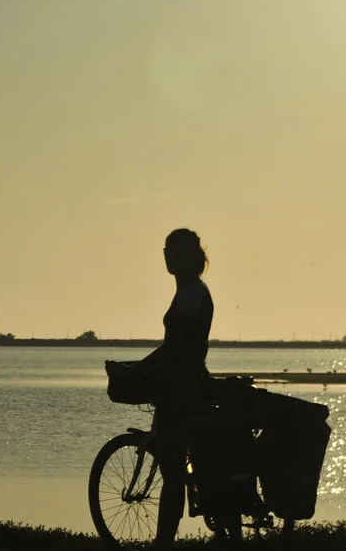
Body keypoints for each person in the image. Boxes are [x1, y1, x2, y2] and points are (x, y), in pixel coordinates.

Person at [131, 228, 213, 549]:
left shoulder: (192, 292)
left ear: (190, 257)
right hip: (180, 383)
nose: (168, 257)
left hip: (182, 389)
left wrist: (138, 368)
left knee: (173, 469)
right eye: (166, 251)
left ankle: (163, 541)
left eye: (175, 252)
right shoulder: (188, 290)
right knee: (174, 465)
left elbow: (175, 345)